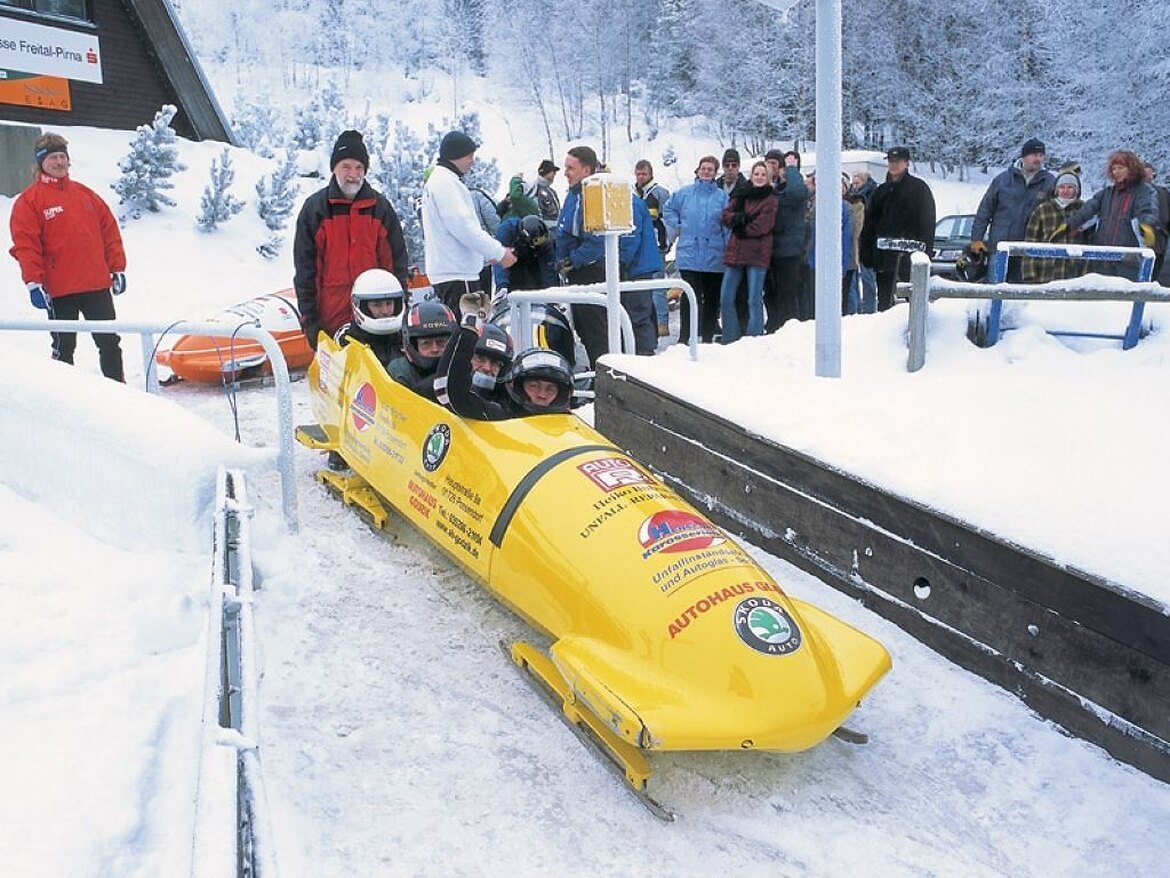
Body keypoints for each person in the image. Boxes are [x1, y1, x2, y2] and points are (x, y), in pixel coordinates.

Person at [9, 132, 128, 382]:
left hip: (96, 286)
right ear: (41, 162)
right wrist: (34, 283)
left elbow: (109, 231)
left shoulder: (86, 195)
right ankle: (66, 406)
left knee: (109, 343)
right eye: (53, 157)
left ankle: (120, 395)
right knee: (64, 348)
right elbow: (26, 244)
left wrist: (117, 268)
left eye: (62, 156)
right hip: (60, 290)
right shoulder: (30, 201)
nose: (59, 162)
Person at [293, 129, 410, 349]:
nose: (352, 174)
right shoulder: (315, 210)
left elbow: (395, 265)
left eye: (359, 167)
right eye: (345, 166)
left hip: (376, 319)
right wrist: (310, 321)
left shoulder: (380, 208)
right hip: (331, 318)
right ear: (334, 168)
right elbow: (306, 271)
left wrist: (400, 308)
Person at [555, 144, 653, 367]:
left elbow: (599, 239)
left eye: (570, 168)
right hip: (577, 272)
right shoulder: (573, 195)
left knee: (598, 329)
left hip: (591, 271)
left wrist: (573, 259)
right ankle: (600, 371)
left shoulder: (593, 195)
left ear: (587, 170)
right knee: (585, 328)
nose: (565, 172)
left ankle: (608, 376)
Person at [421, 130, 516, 320]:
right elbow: (464, 228)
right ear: (455, 155)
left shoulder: (444, 181)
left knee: (476, 332)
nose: (473, 161)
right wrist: (498, 252)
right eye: (469, 156)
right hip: (458, 275)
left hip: (458, 272)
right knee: (472, 335)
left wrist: (483, 256)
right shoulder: (445, 183)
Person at [436, 319, 572, 420]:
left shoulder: (568, 423)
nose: (487, 368)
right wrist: (468, 329)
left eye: (550, 389)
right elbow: (451, 391)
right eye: (534, 386)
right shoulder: (499, 413)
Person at [1054, 150, 1159, 280]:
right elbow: (1087, 211)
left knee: (1126, 297)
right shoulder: (1106, 193)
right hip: (1102, 259)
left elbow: (1147, 210)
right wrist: (1068, 225)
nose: (1116, 171)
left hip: (1129, 260)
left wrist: (1146, 226)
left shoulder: (1143, 191)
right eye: (1114, 168)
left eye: (1120, 168)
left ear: (1131, 168)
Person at [859, 146, 936, 311]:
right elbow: (870, 225)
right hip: (884, 259)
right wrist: (866, 252)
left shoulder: (919, 190)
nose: (893, 165)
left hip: (910, 259)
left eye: (898, 161)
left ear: (906, 163)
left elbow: (928, 223)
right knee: (885, 303)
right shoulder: (880, 192)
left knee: (911, 302)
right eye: (891, 161)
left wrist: (926, 252)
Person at [662, 155, 728, 344]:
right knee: (690, 297)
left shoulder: (722, 197)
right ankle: (685, 338)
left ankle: (707, 338)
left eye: (710, 169)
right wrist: (679, 225)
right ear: (698, 170)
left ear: (715, 173)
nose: (706, 171)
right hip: (690, 254)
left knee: (712, 300)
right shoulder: (684, 193)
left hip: (714, 255)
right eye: (703, 168)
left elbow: (727, 225)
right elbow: (668, 209)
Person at [970, 137, 1055, 282]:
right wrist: (976, 239)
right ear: (1024, 157)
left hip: (1028, 251)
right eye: (1035, 155)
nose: (1039, 159)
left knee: (1020, 297)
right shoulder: (1002, 180)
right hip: (1000, 248)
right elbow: (984, 211)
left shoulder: (1049, 182)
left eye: (1041, 156)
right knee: (994, 292)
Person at [718, 161, 777, 344]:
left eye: (762, 174)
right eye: (756, 174)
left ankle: (754, 338)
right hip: (736, 251)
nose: (759, 177)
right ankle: (730, 335)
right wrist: (741, 218)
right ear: (751, 176)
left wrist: (741, 228)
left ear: (768, 178)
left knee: (754, 298)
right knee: (726, 296)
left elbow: (762, 225)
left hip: (757, 253)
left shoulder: (771, 199)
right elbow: (726, 215)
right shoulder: (741, 194)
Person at [764, 149, 808, 329]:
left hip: (789, 251)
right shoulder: (771, 190)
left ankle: (787, 329)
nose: (772, 168)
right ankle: (773, 326)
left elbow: (798, 193)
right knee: (770, 294)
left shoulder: (791, 190)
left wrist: (791, 170)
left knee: (787, 294)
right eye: (769, 163)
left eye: (776, 164)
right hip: (769, 250)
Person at [1021, 167, 1088, 284]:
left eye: (1070, 187)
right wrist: (1029, 274)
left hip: (1073, 274)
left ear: (1076, 190)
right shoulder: (1042, 210)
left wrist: (1086, 275)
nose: (1065, 191)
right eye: (1062, 187)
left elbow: (1089, 243)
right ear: (1056, 190)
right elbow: (1030, 241)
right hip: (1045, 272)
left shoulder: (1084, 211)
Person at [333, 268, 407, 367]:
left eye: (389, 303)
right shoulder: (347, 340)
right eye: (377, 305)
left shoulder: (409, 336)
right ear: (361, 306)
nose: (385, 311)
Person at [388, 300, 457, 400]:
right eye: (426, 343)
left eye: (441, 342)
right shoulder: (400, 372)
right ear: (412, 345)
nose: (435, 349)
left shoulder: (465, 366)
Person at [634, 159, 672, 337]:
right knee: (643, 285)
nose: (641, 177)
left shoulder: (659, 193)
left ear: (651, 174)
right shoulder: (634, 194)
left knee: (657, 285)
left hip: (657, 244)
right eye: (638, 173)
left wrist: (667, 241)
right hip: (640, 245)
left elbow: (669, 219)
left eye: (644, 174)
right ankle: (649, 320)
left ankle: (662, 322)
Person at [493, 214, 558, 296]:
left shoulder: (545, 244)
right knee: (515, 286)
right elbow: (499, 259)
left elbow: (548, 267)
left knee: (536, 286)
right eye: (536, 241)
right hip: (512, 259)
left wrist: (552, 291)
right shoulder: (507, 231)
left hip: (533, 259)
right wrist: (502, 285)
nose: (539, 244)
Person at [848, 170, 878, 313]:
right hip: (855, 241)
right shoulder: (852, 197)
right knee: (854, 276)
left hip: (867, 241)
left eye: (857, 181)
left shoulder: (872, 194)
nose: (854, 185)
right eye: (853, 182)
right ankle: (859, 308)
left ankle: (869, 308)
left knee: (867, 278)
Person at [1142, 162, 1170, 279]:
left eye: (1150, 176)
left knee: (1153, 279)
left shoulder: (1163, 193)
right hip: (1134, 246)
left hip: (1158, 244)